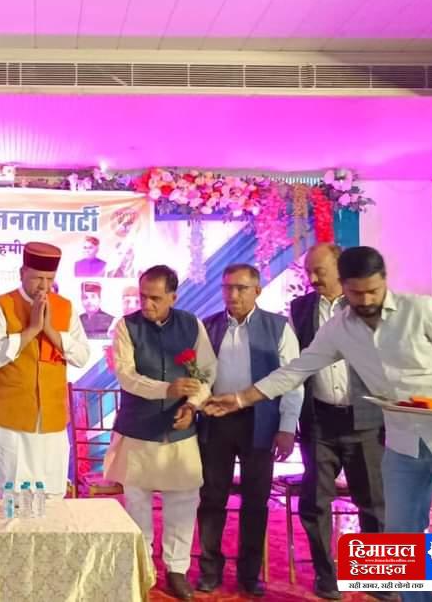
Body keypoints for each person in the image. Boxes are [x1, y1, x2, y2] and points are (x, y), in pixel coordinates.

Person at [205, 246, 432, 602]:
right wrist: (241, 398)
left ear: (385, 281)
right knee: (401, 541)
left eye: (372, 291)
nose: (365, 300)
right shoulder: (339, 329)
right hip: (402, 444)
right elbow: (296, 370)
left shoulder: (420, 310)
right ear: (344, 286)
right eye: (356, 293)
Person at [103, 265, 216, 600]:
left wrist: (192, 404)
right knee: (137, 502)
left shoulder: (191, 324)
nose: (146, 304)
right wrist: (167, 389)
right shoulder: (127, 326)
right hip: (138, 429)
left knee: (183, 501)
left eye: (155, 298)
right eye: (142, 296)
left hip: (180, 430)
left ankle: (177, 570)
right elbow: (126, 376)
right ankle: (142, 567)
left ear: (173, 297)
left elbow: (207, 371)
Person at [196, 263, 303, 598]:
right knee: (211, 498)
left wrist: (287, 427)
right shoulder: (207, 326)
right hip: (216, 420)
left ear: (257, 290)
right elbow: (196, 375)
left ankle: (249, 574)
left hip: (261, 422)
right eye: (227, 287)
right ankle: (210, 570)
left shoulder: (278, 327)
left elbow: (293, 379)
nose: (233, 294)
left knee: (255, 501)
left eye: (241, 288)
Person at [290, 243, 386, 600]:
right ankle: (326, 576)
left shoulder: (366, 302)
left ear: (340, 268)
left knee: (373, 503)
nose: (313, 278)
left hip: (365, 419)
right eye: (308, 272)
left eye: (320, 271)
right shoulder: (300, 309)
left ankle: (379, 579)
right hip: (319, 420)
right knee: (315, 503)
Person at [0, 242, 90, 496]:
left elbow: (82, 356)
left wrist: (49, 330)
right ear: (22, 273)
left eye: (49, 279)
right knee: (11, 493)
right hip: (11, 417)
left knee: (50, 494)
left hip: (50, 418)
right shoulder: (2, 305)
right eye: (38, 278)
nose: (44, 286)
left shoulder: (65, 307)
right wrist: (31, 330)